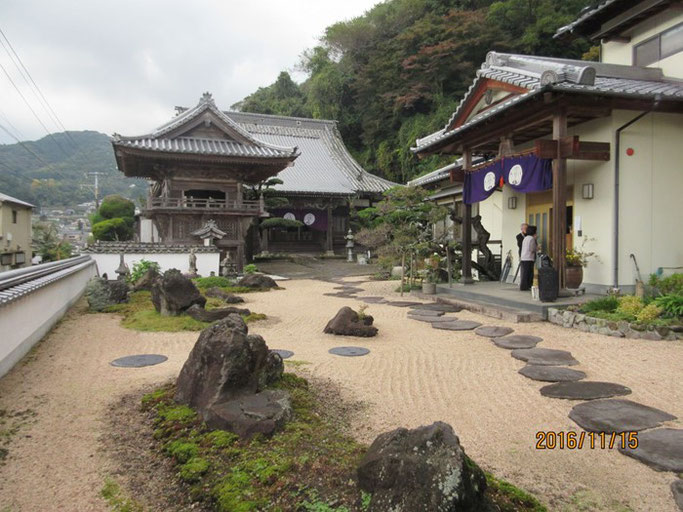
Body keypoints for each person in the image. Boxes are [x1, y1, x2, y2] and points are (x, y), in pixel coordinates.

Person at [520, 225, 538, 291]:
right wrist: (537, 248)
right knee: (529, 273)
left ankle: (524, 286)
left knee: (525, 273)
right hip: (529, 258)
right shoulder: (531, 239)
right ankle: (526, 286)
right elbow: (532, 249)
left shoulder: (526, 238)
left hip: (524, 257)